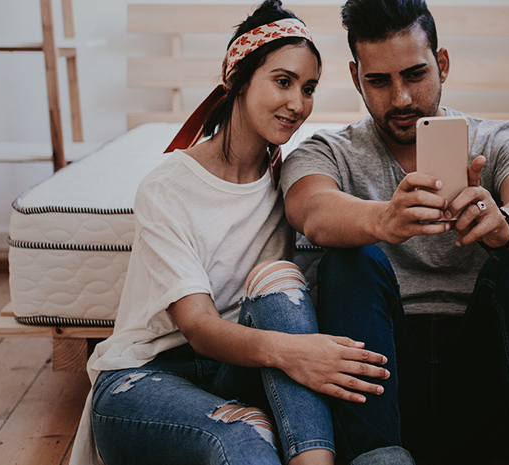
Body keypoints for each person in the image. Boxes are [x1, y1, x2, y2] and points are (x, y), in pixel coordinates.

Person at [68, 2, 390, 464]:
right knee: (248, 432)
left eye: (309, 88)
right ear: (236, 76)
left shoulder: (289, 185)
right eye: (282, 81)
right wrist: (295, 352)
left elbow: (325, 239)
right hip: (143, 381)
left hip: (234, 372)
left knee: (278, 279)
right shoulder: (167, 187)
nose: (297, 104)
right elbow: (197, 327)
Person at [280, 0, 509, 463]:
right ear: (358, 78)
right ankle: (380, 457)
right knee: (347, 259)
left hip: (487, 376)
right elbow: (312, 210)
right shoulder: (328, 151)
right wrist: (384, 220)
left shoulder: (500, 140)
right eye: (379, 81)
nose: (400, 98)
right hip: (388, 384)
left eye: (415, 74)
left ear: (441, 64)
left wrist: (504, 225)